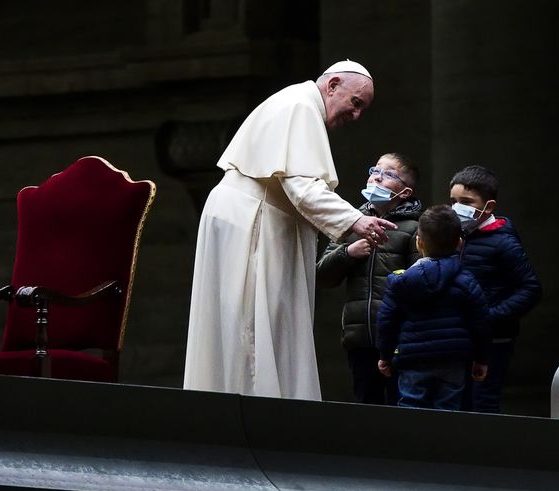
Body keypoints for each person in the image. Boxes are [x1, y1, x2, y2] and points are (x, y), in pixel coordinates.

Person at [182, 60, 398, 401]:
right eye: (355, 103)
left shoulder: (295, 102)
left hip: (243, 215)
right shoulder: (300, 106)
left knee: (237, 326)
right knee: (251, 328)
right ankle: (255, 414)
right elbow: (303, 186)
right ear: (333, 85)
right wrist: (355, 220)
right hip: (252, 220)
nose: (355, 116)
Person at [316, 153, 422, 405]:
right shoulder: (349, 223)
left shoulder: (416, 228)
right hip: (360, 338)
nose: (377, 176)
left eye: (388, 174)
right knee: (367, 404)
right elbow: (322, 276)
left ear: (405, 192)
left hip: (400, 340)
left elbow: (421, 283)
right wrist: (348, 252)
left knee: (402, 405)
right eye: (375, 170)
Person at [376, 204, 491, 410]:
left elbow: (386, 321)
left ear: (419, 242)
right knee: (447, 412)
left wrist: (385, 355)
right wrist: (481, 358)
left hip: (413, 359)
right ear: (459, 243)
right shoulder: (467, 281)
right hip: (453, 360)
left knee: (411, 407)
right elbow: (480, 322)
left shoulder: (400, 282)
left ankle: (413, 442)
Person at [449, 165, 542, 413]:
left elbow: (530, 288)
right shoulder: (456, 237)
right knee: (458, 404)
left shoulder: (504, 242)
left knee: (483, 403)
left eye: (466, 201)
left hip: (493, 341)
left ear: (488, 207)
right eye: (454, 201)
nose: (457, 208)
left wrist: (489, 317)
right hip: (461, 336)